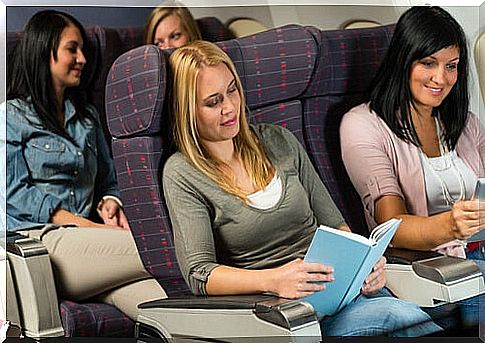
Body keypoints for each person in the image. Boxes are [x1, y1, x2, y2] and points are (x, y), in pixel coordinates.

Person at [162, 40, 442, 337]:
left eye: (232, 90)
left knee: (414, 315)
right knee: (400, 318)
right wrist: (274, 280)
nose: (230, 107)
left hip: (342, 291)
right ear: (187, 110)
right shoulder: (182, 173)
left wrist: (367, 265)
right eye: (213, 102)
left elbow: (336, 225)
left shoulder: (278, 141)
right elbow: (200, 274)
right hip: (289, 315)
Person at [4, 10, 166, 321]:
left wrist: (109, 202)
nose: (82, 59)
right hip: (41, 245)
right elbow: (12, 196)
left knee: (170, 312)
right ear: (43, 51)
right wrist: (86, 225)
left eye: (82, 51)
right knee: (160, 247)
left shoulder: (87, 116)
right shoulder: (10, 117)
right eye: (71, 49)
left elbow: (109, 179)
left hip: (91, 250)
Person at [340, 6, 484, 329]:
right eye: (428, 63)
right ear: (404, 61)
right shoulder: (363, 125)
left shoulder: (464, 124)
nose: (441, 79)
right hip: (425, 274)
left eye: (452, 66)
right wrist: (450, 226)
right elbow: (390, 226)